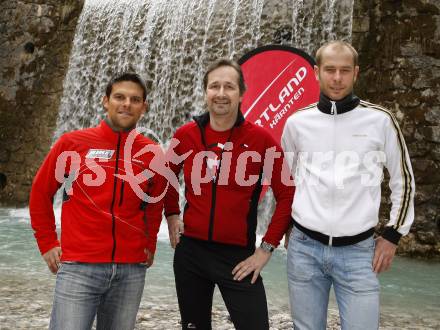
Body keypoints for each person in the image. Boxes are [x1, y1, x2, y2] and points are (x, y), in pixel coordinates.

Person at [281, 40, 415, 330]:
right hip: (304, 250)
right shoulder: (297, 122)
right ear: (316, 72)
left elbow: (404, 180)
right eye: (330, 70)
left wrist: (393, 235)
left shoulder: (380, 121)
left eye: (344, 70)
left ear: (356, 73)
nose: (337, 78)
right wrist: (285, 226)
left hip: (358, 252)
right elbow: (285, 180)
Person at [29, 72, 166, 330]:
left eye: (135, 99)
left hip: (130, 271)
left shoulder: (152, 153)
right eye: (119, 97)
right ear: (106, 101)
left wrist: (149, 244)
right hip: (79, 267)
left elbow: (154, 203)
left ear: (144, 107)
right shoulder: (72, 143)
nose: (127, 104)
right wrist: (47, 242)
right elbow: (40, 193)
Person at [164, 58, 294, 330]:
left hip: (238, 258)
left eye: (229, 87)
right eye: (214, 86)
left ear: (242, 94)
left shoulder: (260, 140)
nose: (221, 94)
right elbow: (163, 176)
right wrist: (172, 213)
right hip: (191, 255)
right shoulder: (186, 135)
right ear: (205, 92)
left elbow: (287, 194)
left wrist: (266, 249)